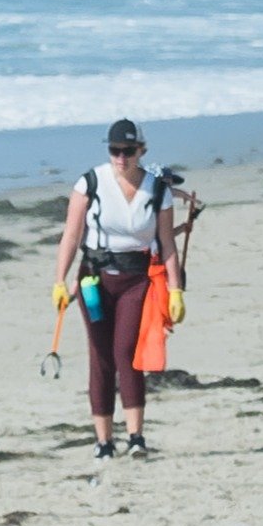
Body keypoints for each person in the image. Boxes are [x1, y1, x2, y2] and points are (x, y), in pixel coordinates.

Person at [52, 120, 192, 462]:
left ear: (141, 151)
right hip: (94, 280)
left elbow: (167, 243)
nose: (121, 157)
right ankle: (103, 441)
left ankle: (136, 436)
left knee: (127, 351)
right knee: (100, 356)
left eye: (128, 151)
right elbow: (71, 236)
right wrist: (60, 280)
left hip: (136, 280)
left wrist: (176, 290)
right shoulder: (90, 183)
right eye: (115, 150)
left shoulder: (157, 190)